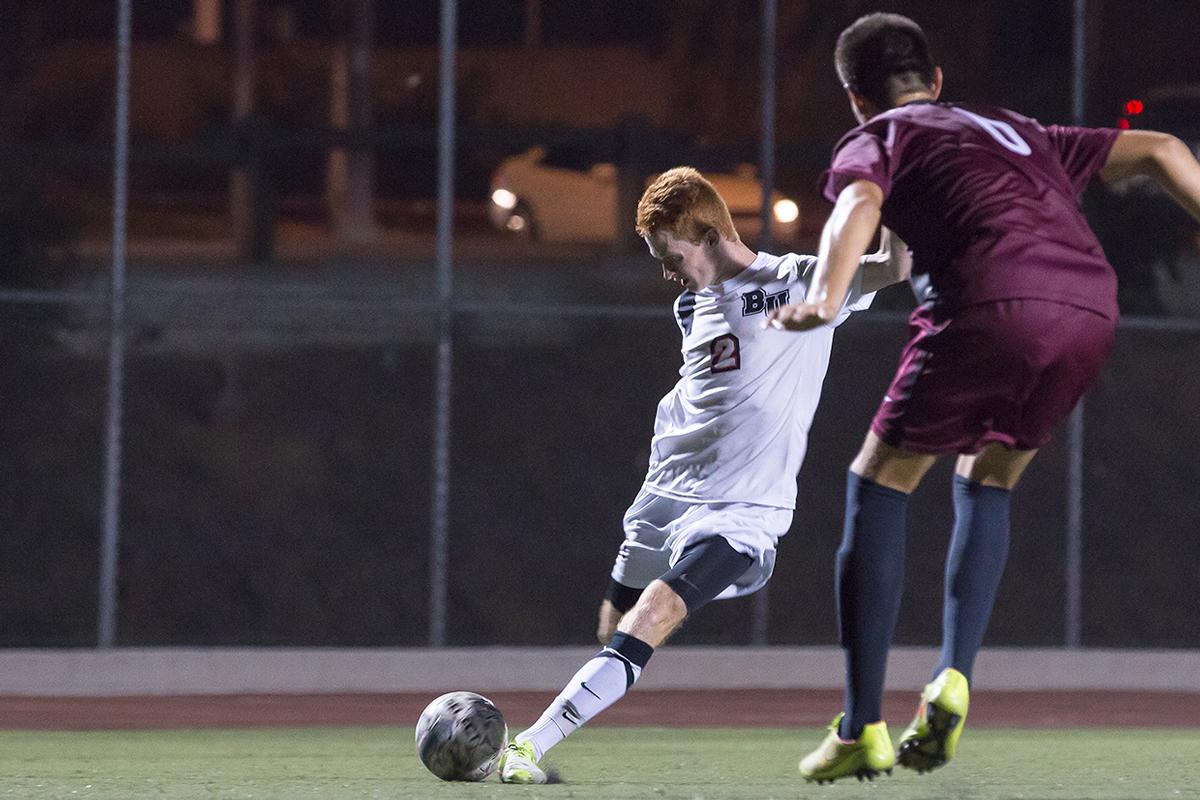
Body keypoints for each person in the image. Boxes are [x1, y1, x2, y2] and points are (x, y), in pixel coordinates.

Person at [767, 12, 1200, 784]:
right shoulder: (1013, 128)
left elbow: (857, 203)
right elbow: (1164, 149)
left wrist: (825, 296)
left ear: (855, 98)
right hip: (1092, 305)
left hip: (991, 301)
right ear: (936, 82)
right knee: (990, 475)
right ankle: (954, 675)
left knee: (878, 480)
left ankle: (860, 725)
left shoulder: (881, 137)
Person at [497, 166, 910, 784]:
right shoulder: (691, 303)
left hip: (743, 511)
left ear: (711, 234)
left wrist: (902, 188)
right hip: (664, 494)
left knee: (655, 615)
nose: (666, 270)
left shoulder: (798, 281)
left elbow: (893, 266)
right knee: (616, 622)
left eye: (672, 254)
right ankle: (565, 727)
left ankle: (527, 748)